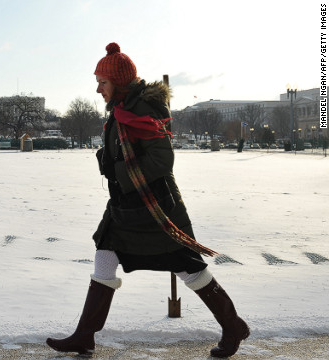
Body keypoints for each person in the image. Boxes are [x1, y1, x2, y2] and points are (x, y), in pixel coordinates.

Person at [46, 43, 249, 358]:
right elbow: (124, 152)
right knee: (104, 253)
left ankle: (232, 325)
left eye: (103, 81)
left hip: (154, 207)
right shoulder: (123, 106)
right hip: (126, 206)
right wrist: (108, 158)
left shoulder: (140, 109)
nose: (97, 88)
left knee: (187, 266)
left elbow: (162, 160)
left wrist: (118, 173)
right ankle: (85, 335)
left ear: (119, 82)